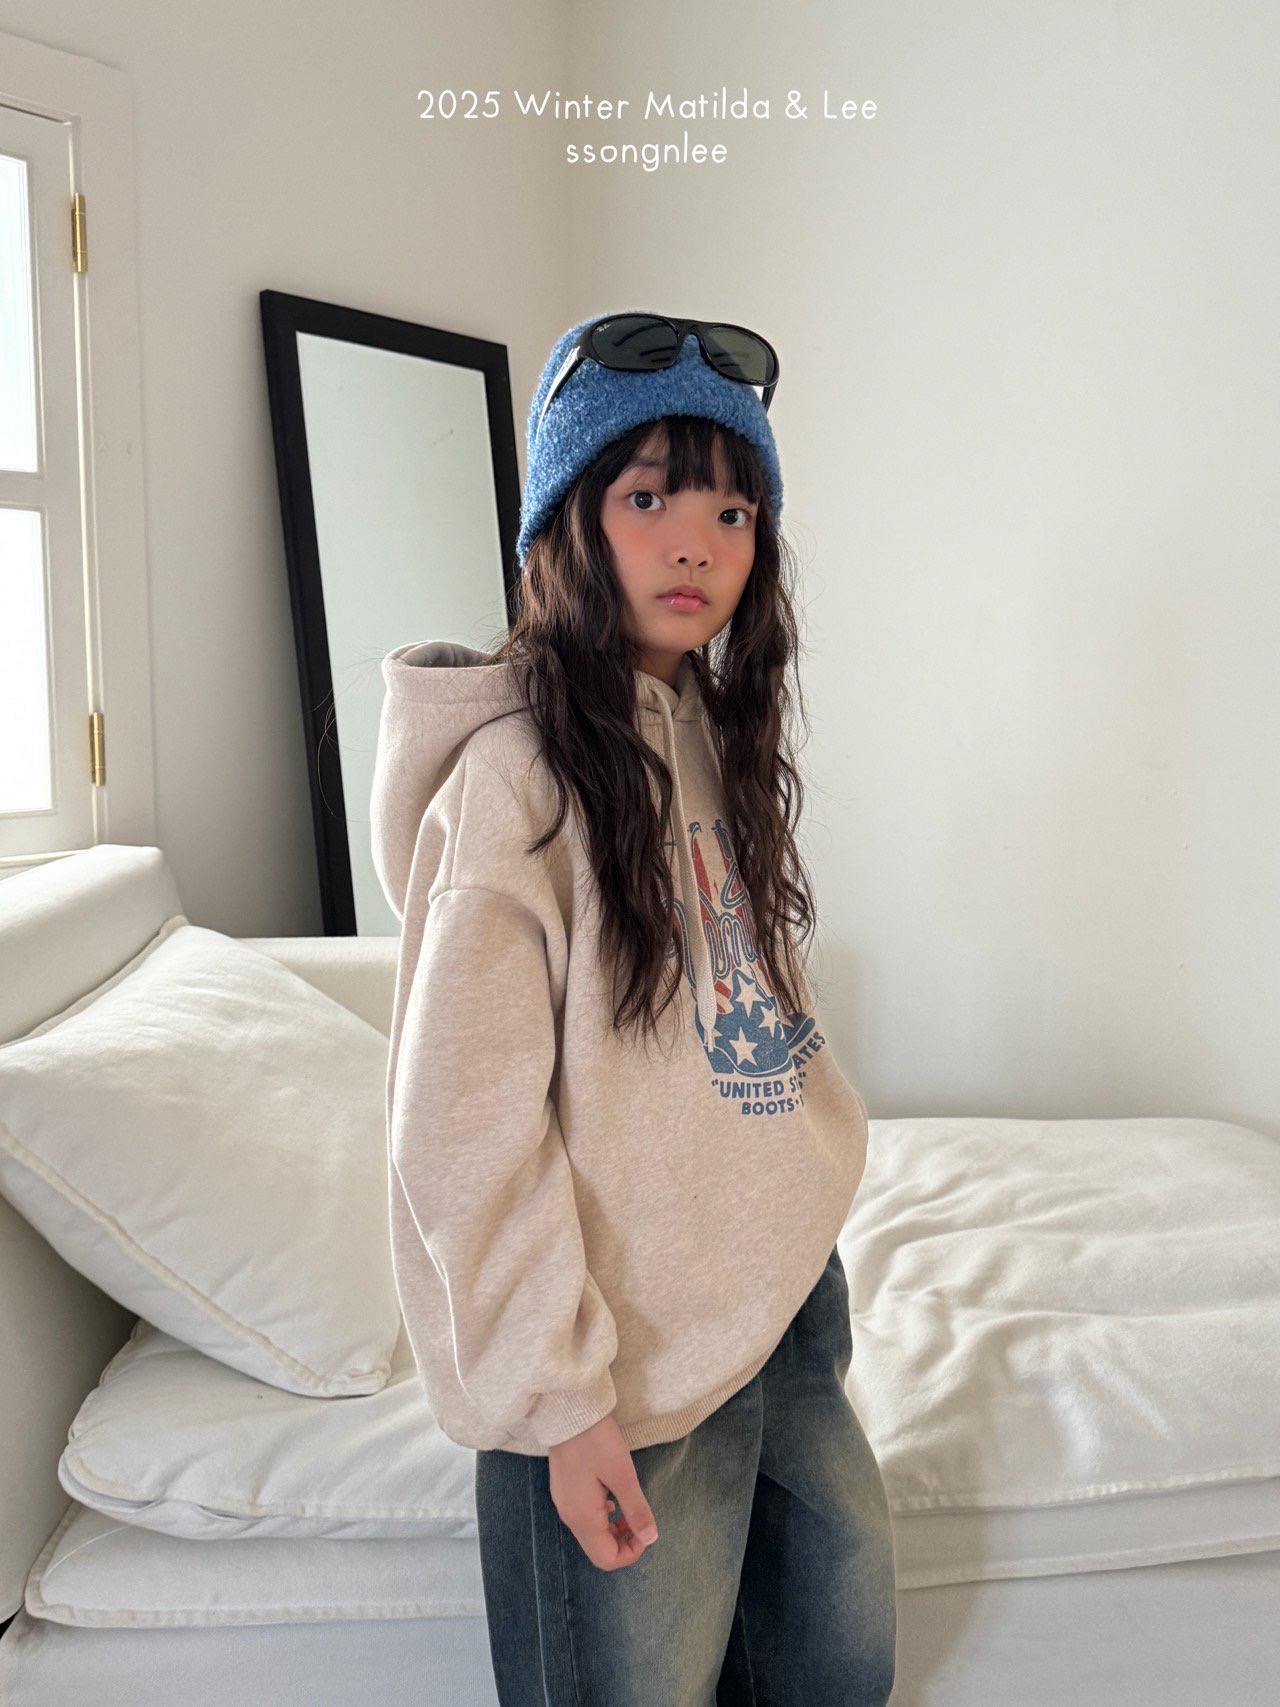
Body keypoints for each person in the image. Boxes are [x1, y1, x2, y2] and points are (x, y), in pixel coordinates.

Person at [370, 311, 897, 1705]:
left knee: (838, 1671)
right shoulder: (513, 788)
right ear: (568, 519)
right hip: (621, 1362)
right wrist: (558, 1403)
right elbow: (461, 1130)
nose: (696, 545)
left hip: (783, 1306)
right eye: (649, 497)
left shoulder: (712, 734)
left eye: (732, 511)